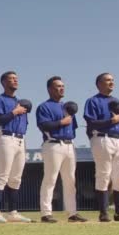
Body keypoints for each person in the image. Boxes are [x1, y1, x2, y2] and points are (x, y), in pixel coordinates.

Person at [83, 73, 119, 222]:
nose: (111, 82)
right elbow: (91, 122)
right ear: (99, 84)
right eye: (107, 80)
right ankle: (103, 213)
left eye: (112, 80)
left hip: (118, 139)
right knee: (103, 174)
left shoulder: (118, 102)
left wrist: (115, 120)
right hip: (101, 138)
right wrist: (111, 120)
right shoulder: (92, 101)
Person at [36, 76, 87, 223]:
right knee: (50, 179)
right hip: (53, 144)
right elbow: (43, 126)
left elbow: (74, 128)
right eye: (58, 86)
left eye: (63, 85)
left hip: (69, 145)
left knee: (70, 180)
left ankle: (72, 213)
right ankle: (46, 213)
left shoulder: (68, 108)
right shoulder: (44, 107)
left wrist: (67, 126)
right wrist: (61, 122)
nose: (62, 88)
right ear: (50, 89)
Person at [0, 71, 32, 223]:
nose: (15, 80)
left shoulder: (21, 102)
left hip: (21, 139)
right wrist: (15, 112)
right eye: (11, 79)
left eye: (16, 78)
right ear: (3, 82)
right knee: (2, 175)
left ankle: (13, 212)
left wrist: (19, 110)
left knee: (16, 178)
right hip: (6, 137)